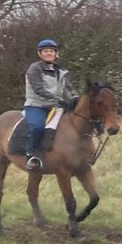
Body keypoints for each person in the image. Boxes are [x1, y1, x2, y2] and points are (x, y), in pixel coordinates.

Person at [23, 38, 80, 170]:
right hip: (36, 106)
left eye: (51, 51)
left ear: (55, 54)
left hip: (56, 107)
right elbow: (38, 89)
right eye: (45, 51)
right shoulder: (34, 69)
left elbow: (68, 88)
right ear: (40, 54)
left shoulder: (61, 71)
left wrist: (76, 98)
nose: (49, 53)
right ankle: (31, 155)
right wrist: (58, 99)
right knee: (37, 127)